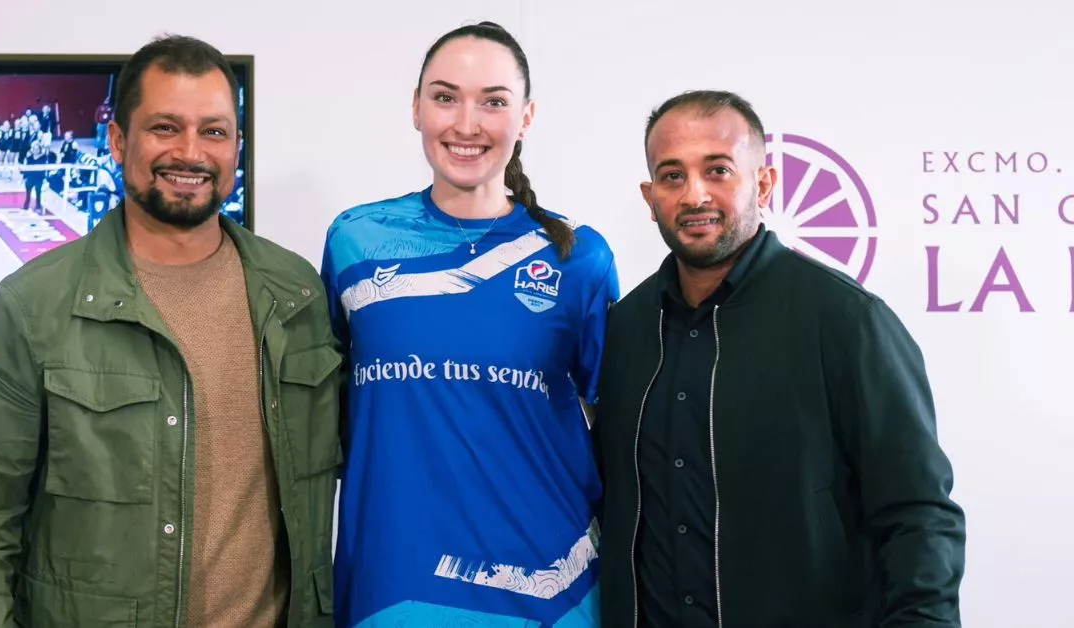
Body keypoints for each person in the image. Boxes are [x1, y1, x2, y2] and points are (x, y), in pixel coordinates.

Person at [0, 34, 342, 628]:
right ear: (119, 140)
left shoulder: (297, 294)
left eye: (214, 131)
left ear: (236, 148)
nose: (191, 152)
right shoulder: (30, 309)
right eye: (165, 128)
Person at [592, 90, 966, 627]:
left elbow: (917, 511)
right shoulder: (625, 329)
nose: (695, 194)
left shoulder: (844, 319)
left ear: (764, 184)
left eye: (718, 170)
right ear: (651, 198)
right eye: (672, 176)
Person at [321, 21, 618, 628]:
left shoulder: (579, 257)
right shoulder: (355, 240)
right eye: (445, 97)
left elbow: (619, 428)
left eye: (494, 102)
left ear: (526, 117)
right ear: (416, 107)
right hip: (394, 583)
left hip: (550, 588)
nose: (466, 123)